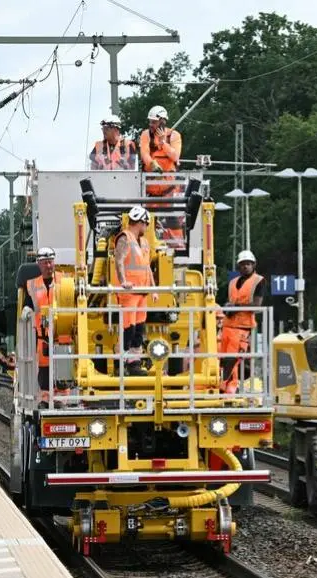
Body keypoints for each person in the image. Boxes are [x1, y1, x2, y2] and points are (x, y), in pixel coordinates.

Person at [112, 206, 158, 376]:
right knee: (128, 329)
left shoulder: (144, 242)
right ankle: (120, 363)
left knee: (139, 329)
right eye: (146, 224)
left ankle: (134, 363)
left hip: (142, 293)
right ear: (140, 222)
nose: (147, 228)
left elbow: (147, 268)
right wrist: (123, 281)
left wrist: (153, 289)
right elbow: (119, 260)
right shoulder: (125, 238)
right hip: (129, 293)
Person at [22, 247, 65, 405]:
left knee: (63, 373)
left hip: (63, 337)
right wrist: (26, 311)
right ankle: (46, 402)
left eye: (51, 262)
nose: (49, 265)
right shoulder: (32, 285)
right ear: (39, 264)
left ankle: (61, 401)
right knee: (45, 374)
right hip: (42, 338)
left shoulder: (64, 280)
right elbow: (28, 307)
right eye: (45, 262)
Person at [140, 105, 185, 248]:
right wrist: (151, 163)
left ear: (162, 121)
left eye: (154, 122)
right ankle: (147, 249)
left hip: (169, 190)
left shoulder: (174, 136)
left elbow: (175, 156)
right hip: (150, 191)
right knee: (147, 223)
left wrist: (162, 143)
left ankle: (178, 251)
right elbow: (144, 153)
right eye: (150, 122)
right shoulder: (145, 135)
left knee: (173, 222)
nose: (151, 125)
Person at [219, 251, 265, 395]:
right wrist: (228, 307)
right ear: (238, 266)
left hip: (243, 328)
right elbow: (231, 301)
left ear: (253, 265)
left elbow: (257, 306)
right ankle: (226, 386)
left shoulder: (259, 281)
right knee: (223, 358)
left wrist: (236, 307)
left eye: (248, 264)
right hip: (228, 325)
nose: (245, 267)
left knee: (233, 359)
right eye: (243, 264)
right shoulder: (233, 282)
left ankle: (227, 386)